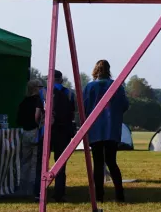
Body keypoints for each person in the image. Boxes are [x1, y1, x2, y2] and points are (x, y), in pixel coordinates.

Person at [83, 60, 130, 204]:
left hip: (95, 128)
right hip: (111, 128)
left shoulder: (90, 87)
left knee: (98, 163)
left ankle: (99, 196)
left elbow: (83, 106)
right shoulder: (116, 86)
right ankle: (119, 195)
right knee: (112, 162)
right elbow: (125, 105)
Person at [48, 70, 76, 203]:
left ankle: (40, 191)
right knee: (60, 163)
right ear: (61, 79)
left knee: (42, 163)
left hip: (48, 131)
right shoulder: (69, 93)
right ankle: (59, 193)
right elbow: (72, 112)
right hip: (64, 131)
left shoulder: (44, 93)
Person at [17, 79, 44, 200]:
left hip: (25, 131)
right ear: (36, 88)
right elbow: (37, 115)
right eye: (40, 86)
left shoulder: (23, 101)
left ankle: (22, 186)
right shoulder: (38, 100)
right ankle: (33, 188)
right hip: (35, 131)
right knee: (35, 161)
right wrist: (38, 124)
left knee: (24, 160)